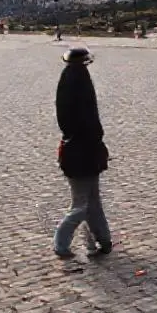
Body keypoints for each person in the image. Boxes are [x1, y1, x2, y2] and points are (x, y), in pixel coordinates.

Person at [52, 47, 112, 259]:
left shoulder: (65, 84)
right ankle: (61, 243)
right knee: (81, 204)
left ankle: (103, 240)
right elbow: (91, 122)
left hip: (75, 149)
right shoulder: (81, 86)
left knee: (92, 200)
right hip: (85, 150)